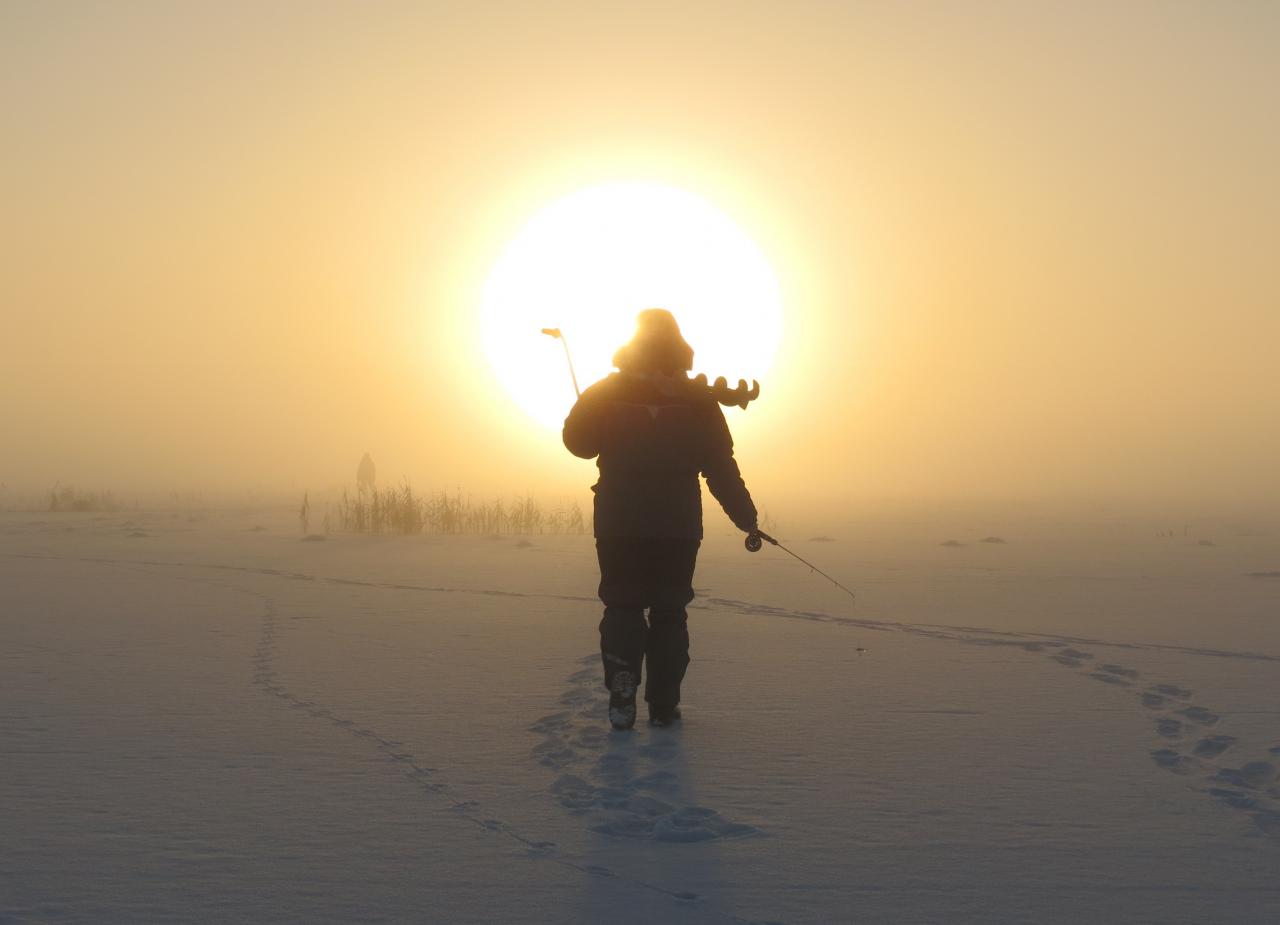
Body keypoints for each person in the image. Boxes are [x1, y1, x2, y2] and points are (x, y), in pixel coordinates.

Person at [562, 309, 758, 730]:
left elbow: (578, 446)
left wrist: (589, 409)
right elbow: (720, 467)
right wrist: (746, 518)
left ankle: (622, 686)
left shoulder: (605, 392)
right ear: (680, 347)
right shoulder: (699, 402)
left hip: (619, 522)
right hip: (677, 526)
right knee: (670, 613)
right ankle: (665, 705)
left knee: (623, 606)